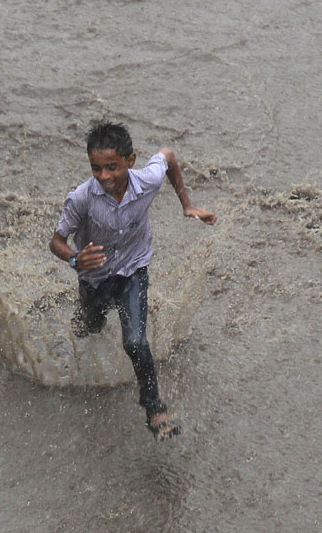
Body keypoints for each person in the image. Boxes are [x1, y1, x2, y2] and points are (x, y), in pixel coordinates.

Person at [49, 121, 217, 441]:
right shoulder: (81, 198)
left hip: (133, 272)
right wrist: (73, 258)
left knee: (135, 342)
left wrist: (187, 204)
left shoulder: (147, 181)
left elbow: (167, 156)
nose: (104, 177)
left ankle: (155, 410)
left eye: (112, 167)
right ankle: (84, 321)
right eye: (96, 169)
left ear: (130, 160)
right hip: (94, 277)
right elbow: (56, 241)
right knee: (91, 326)